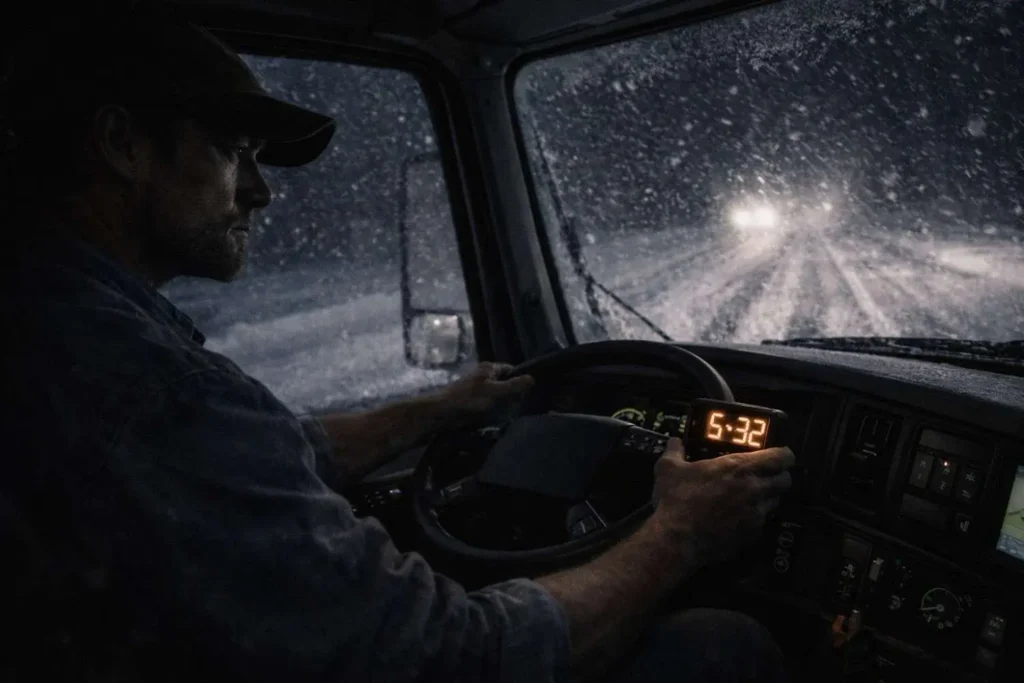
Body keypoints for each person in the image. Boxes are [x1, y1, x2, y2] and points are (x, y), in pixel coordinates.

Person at [0, 7, 795, 682]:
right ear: (121, 143)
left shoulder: (61, 327)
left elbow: (275, 451)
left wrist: (444, 406)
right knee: (729, 643)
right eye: (234, 150)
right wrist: (681, 532)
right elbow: (452, 657)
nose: (261, 189)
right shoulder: (144, 385)